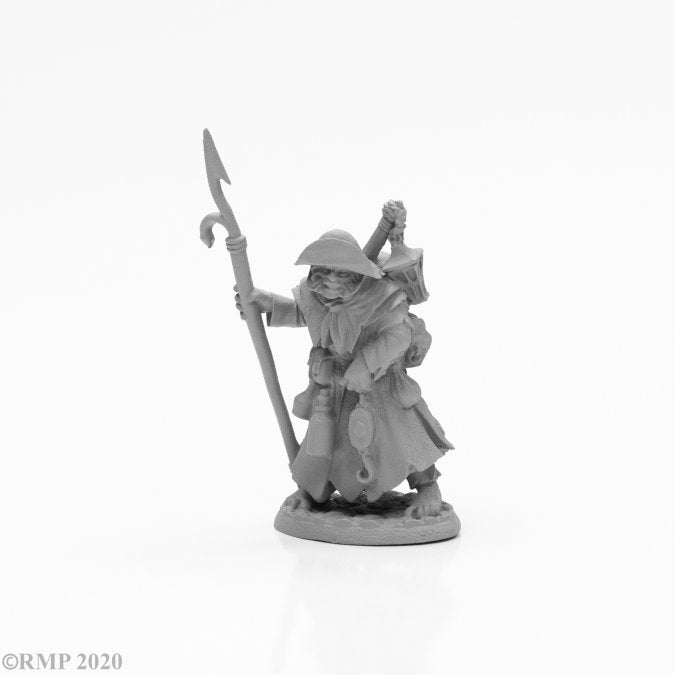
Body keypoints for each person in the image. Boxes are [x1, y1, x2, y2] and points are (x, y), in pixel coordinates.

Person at [234, 202, 453, 518]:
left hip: (379, 384)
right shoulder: (314, 295)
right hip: (333, 385)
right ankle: (311, 491)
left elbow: (399, 335)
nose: (328, 281)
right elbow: (303, 313)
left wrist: (365, 365)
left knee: (401, 436)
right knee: (324, 443)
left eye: (338, 273)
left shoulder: (382, 296)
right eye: (322, 272)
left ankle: (428, 487)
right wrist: (266, 303)